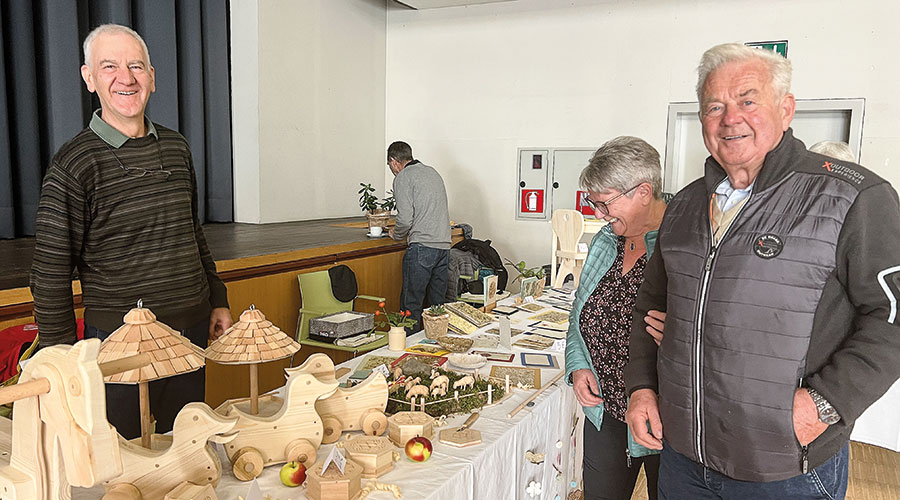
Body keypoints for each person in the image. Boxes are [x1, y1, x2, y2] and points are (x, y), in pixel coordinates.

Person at [624, 42, 900, 499]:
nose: (731, 118)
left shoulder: (854, 196)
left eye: (748, 100)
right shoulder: (686, 205)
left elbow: (891, 317)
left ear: (786, 109)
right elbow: (649, 304)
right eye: (715, 106)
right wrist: (641, 387)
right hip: (683, 455)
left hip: (785, 464)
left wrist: (825, 405)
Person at [30, 24, 232, 438]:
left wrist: (217, 299)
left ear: (153, 77)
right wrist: (67, 359)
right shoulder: (74, 163)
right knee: (121, 471)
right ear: (89, 78)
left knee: (188, 455)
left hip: (189, 335)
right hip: (117, 347)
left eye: (136, 66)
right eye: (110, 66)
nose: (126, 77)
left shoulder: (177, 147)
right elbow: (49, 273)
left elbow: (192, 232)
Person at [564, 136, 669, 500]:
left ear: (643, 191)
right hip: (605, 410)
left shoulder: (683, 243)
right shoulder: (605, 241)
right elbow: (580, 313)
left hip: (665, 415)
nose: (598, 214)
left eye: (604, 203)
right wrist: (578, 367)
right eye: (593, 203)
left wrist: (686, 329)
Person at [387, 141, 451, 331]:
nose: (391, 169)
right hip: (444, 246)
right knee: (436, 308)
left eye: (390, 165)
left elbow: (405, 219)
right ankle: (436, 351)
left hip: (422, 247)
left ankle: (408, 354)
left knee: (411, 305)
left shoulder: (403, 177)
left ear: (394, 161)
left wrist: (395, 234)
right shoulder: (432, 172)